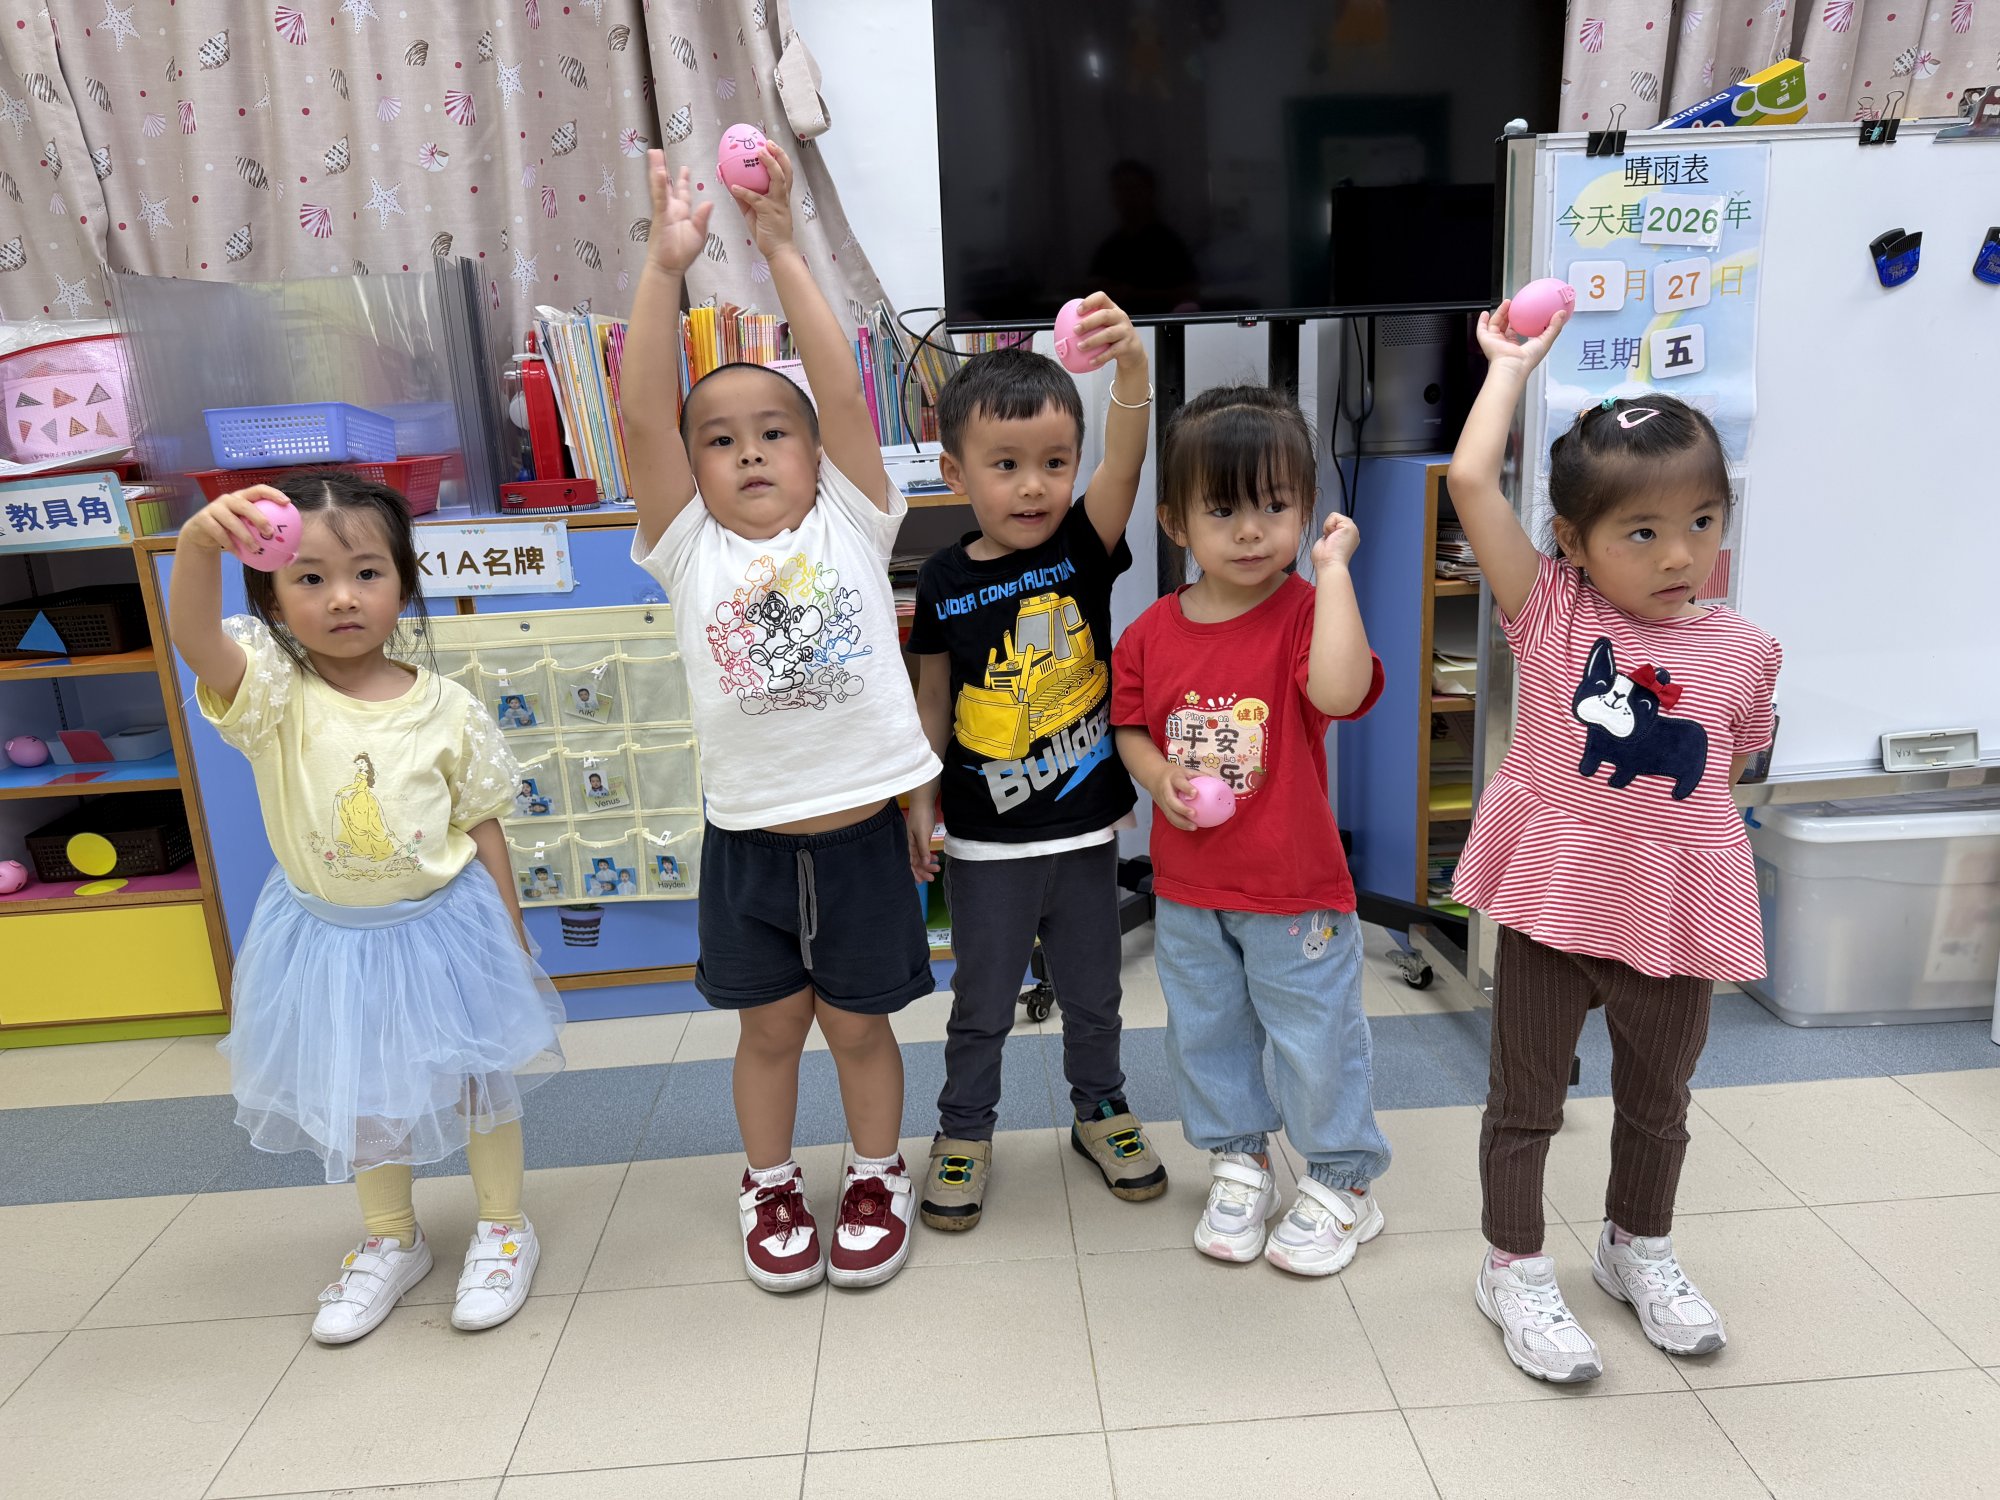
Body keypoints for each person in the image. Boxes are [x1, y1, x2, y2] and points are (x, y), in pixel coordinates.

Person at [623, 142, 940, 1292]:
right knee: (766, 1032)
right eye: (720, 439)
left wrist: (778, 244)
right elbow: (640, 421)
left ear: (816, 456)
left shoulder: (852, 520)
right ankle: (767, 1183)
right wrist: (665, 268)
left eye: (773, 431)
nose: (749, 449)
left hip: (860, 842)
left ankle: (874, 1174)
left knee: (858, 1028)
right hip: (748, 846)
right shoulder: (686, 548)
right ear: (694, 470)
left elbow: (842, 389)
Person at [1447, 301, 1782, 1383]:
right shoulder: (1553, 615)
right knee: (1526, 1103)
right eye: (1641, 532)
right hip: (1555, 905)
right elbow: (1470, 483)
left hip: (1678, 911)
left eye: (1701, 521)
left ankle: (1637, 1248)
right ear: (1572, 544)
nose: (1679, 554)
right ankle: (1511, 1265)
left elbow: (1733, 764)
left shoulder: (1747, 647)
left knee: (1658, 1104)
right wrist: (1507, 367)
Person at [167, 473, 565, 1347]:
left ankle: (504, 1226)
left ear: (403, 583)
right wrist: (196, 544)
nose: (342, 597)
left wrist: (509, 930)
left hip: (449, 929)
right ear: (271, 598)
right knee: (366, 1093)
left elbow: (481, 823)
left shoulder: (448, 708)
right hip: (331, 941)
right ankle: (392, 1238)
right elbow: (194, 636)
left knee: (481, 1082)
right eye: (310, 578)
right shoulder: (271, 695)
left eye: (367, 573)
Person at [1111, 385, 1391, 1276]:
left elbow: (1342, 692)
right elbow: (1130, 725)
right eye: (1223, 509)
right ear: (1175, 523)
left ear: (1306, 510)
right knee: (1206, 1034)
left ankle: (1344, 1178)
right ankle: (1240, 1160)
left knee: (1316, 1039)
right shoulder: (1150, 633)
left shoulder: (1309, 613)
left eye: (1275, 506)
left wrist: (1334, 573)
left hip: (1294, 890)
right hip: (1190, 890)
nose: (1250, 531)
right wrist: (1157, 776)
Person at [904, 319, 1166, 1233]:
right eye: (1006, 465)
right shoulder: (942, 580)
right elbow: (933, 699)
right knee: (981, 1004)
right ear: (956, 474)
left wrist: (1131, 367)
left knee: (1096, 996)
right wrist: (919, 799)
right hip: (985, 842)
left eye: (1055, 463)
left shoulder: (1081, 546)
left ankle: (1102, 1108)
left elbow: (1126, 464)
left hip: (1087, 833)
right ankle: (964, 1131)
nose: (1033, 485)